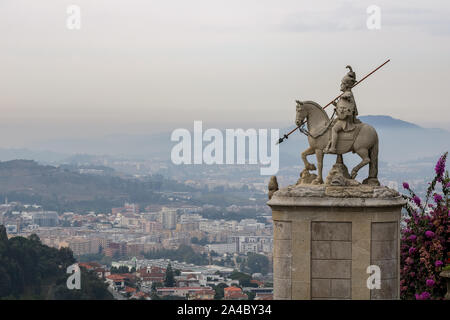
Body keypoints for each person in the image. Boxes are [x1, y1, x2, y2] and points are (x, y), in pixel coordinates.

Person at [325, 65, 360, 154]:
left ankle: (333, 148)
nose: (341, 85)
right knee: (329, 125)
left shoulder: (348, 94)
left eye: (342, 84)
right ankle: (329, 144)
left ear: (347, 86)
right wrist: (336, 105)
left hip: (345, 121)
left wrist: (344, 97)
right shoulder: (345, 95)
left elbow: (347, 107)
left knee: (334, 129)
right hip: (341, 118)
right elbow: (343, 107)